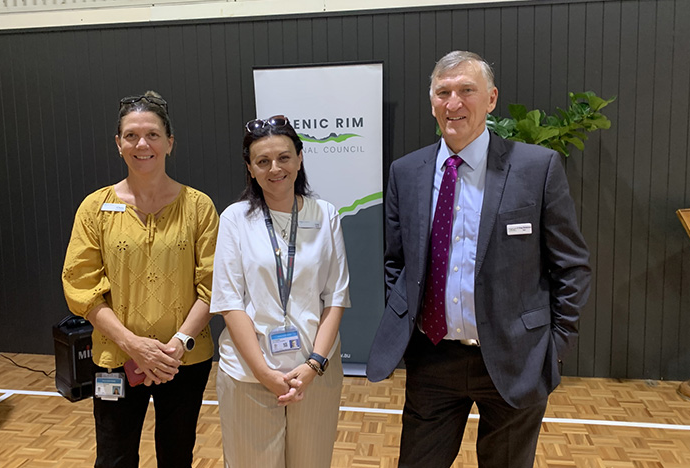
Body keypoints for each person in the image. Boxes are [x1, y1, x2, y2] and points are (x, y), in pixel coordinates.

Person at [367, 50, 592, 467]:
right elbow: (396, 263)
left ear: (491, 99)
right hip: (433, 358)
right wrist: (408, 326)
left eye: (466, 91)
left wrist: (554, 347)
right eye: (443, 92)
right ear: (432, 101)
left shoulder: (536, 167)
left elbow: (571, 265)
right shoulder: (407, 171)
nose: (454, 103)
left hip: (514, 356)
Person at [62, 91, 219, 468]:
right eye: (131, 135)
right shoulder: (94, 207)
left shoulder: (199, 207)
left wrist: (177, 344)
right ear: (118, 144)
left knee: (177, 455)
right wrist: (133, 344)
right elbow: (82, 287)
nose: (141, 144)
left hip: (183, 359)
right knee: (113, 458)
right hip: (116, 358)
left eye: (152, 134)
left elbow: (214, 285)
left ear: (169, 142)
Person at [210, 116, 350, 468]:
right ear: (250, 168)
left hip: (314, 375)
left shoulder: (325, 214)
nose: (275, 168)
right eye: (263, 161)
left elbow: (335, 297)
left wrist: (314, 364)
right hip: (248, 375)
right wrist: (264, 373)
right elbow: (230, 302)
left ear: (300, 159)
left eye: (284, 157)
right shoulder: (235, 219)